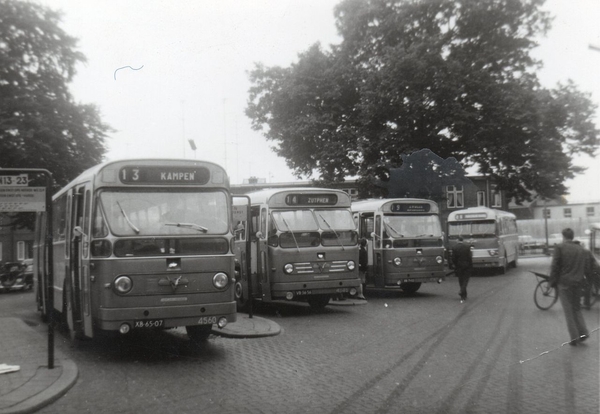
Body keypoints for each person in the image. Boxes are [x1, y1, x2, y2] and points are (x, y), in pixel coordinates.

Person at [548, 228, 592, 345]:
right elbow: (586, 267)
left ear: (563, 236)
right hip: (578, 283)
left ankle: (574, 338)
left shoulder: (560, 248)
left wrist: (551, 283)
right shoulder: (581, 249)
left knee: (568, 311)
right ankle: (583, 333)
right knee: (576, 309)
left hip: (564, 284)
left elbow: (555, 266)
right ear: (572, 236)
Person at [451, 236, 473, 303]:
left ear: (457, 240)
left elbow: (453, 258)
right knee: (466, 279)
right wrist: (471, 265)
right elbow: (470, 257)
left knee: (461, 279)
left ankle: (463, 295)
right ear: (462, 240)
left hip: (459, 266)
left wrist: (455, 265)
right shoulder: (467, 247)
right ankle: (462, 291)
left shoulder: (454, 247)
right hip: (467, 265)